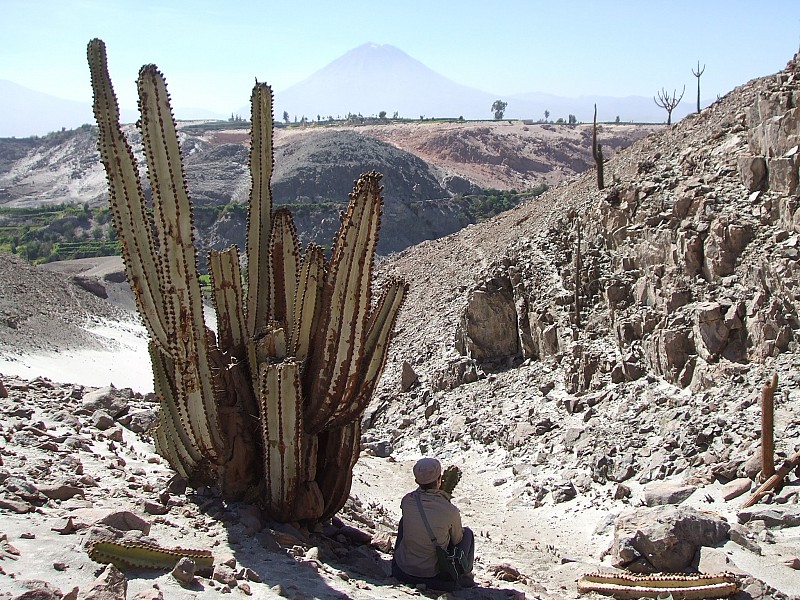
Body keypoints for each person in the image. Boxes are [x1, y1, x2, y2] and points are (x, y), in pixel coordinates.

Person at [391, 457, 475, 591]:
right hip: (433, 575)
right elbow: (457, 539)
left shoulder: (407, 501)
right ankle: (463, 575)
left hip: (402, 571)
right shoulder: (450, 510)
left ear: (416, 481)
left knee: (404, 521)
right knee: (467, 534)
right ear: (439, 480)